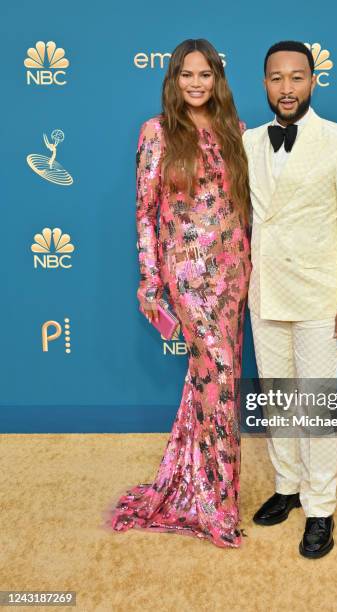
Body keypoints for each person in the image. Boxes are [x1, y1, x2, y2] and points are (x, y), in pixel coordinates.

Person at [110, 39, 252, 549]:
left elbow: (242, 208)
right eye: (187, 74)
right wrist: (150, 280)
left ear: (217, 79)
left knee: (214, 381)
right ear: (174, 78)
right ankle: (216, 508)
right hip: (188, 275)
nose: (196, 83)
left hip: (235, 271)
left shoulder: (234, 131)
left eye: (205, 75)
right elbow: (145, 211)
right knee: (218, 377)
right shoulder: (157, 132)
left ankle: (200, 487)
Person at [242, 40, 337, 558]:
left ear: (313, 81)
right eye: (277, 78)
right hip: (265, 291)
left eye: (297, 77)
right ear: (265, 83)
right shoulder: (249, 141)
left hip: (321, 296)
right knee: (278, 400)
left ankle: (321, 509)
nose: (287, 87)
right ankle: (288, 486)